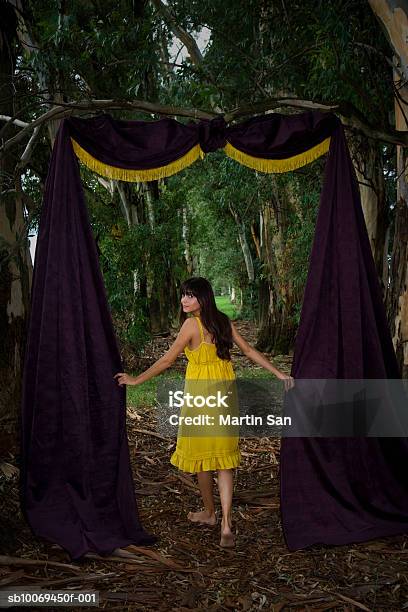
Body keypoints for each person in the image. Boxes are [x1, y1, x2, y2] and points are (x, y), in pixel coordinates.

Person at [114, 277, 294, 548]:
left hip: (200, 396)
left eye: (191, 296)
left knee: (201, 456)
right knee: (223, 460)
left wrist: (136, 380)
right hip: (224, 394)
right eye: (183, 295)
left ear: (203, 298)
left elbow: (167, 360)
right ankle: (224, 523)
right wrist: (278, 373)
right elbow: (247, 350)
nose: (184, 300)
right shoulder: (222, 321)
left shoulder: (191, 325)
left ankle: (211, 514)